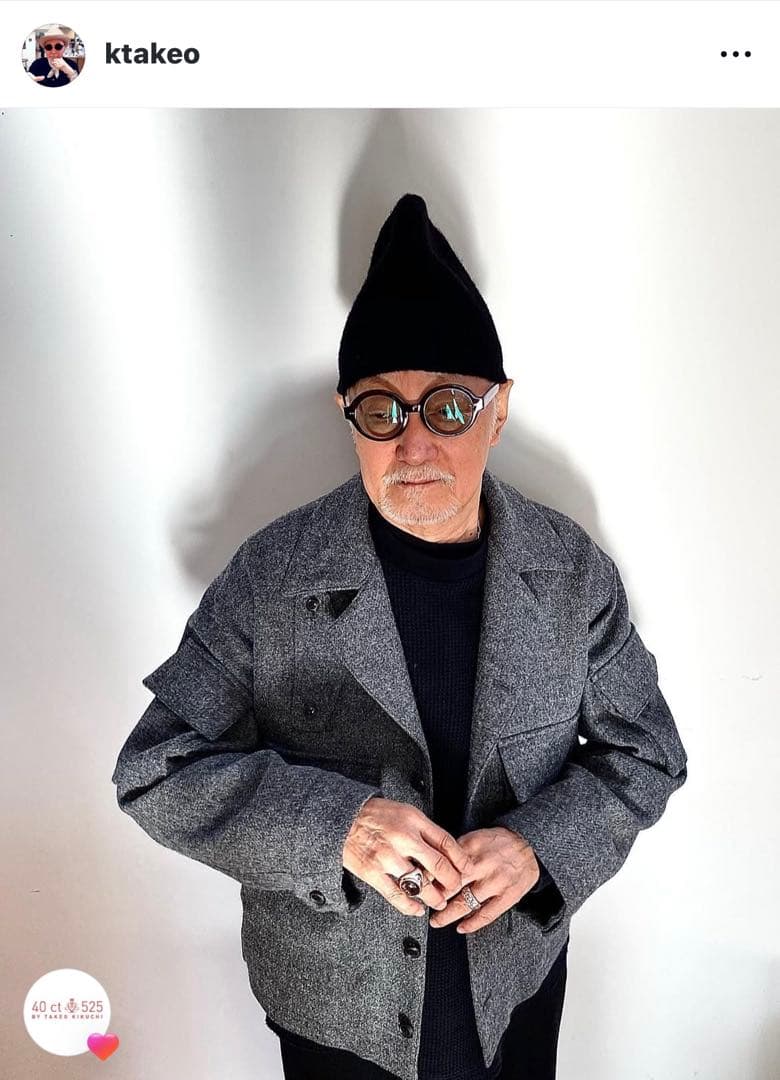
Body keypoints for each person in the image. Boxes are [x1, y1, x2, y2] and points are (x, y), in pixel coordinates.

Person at [111, 194, 688, 1080]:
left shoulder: (573, 574)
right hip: (332, 1015)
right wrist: (337, 827)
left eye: (447, 408)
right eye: (382, 410)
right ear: (348, 415)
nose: (413, 444)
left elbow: (646, 754)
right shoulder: (270, 575)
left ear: (498, 410)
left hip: (516, 998)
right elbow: (156, 769)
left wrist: (539, 844)